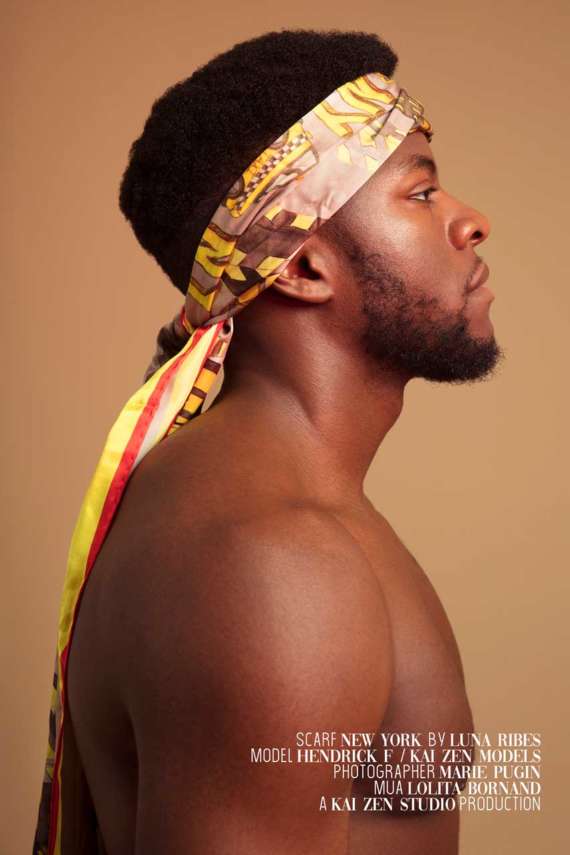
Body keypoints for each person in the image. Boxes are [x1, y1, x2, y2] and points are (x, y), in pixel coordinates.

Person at [33, 28, 502, 855]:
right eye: (422, 193)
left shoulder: (269, 515)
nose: (472, 222)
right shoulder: (273, 562)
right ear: (302, 268)